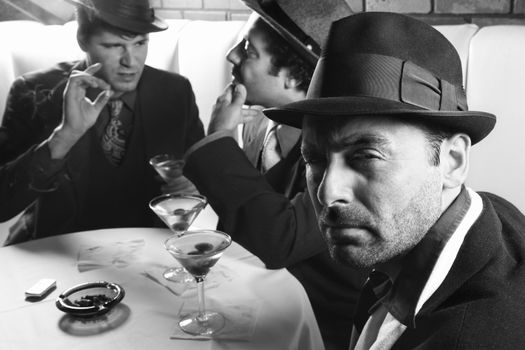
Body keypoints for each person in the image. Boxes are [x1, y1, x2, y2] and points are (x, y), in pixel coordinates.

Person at [264, 12, 525, 349]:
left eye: (365, 156)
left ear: (452, 160)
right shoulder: (486, 216)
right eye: (314, 159)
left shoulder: (469, 337)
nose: (329, 192)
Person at [183, 1, 368, 349]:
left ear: (293, 75)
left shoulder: (346, 151)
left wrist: (218, 141)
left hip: (328, 329)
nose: (232, 56)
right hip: (256, 306)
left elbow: (279, 238)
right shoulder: (258, 130)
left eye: (249, 49)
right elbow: (245, 228)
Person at [0, 0, 204, 245]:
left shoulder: (175, 92)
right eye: (114, 45)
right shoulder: (33, 91)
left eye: (140, 43)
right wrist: (64, 136)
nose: (131, 61)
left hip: (148, 252)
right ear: (82, 40)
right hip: (54, 251)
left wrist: (193, 185)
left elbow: (203, 176)